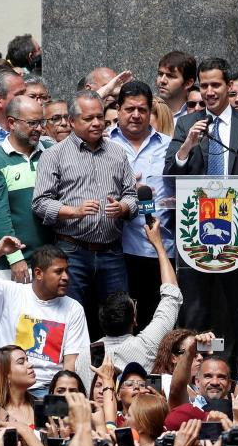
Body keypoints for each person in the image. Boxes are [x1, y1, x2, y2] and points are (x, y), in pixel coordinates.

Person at [31, 90, 137, 316]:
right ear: (71, 121)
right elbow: (40, 203)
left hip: (112, 251)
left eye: (100, 116)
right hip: (72, 251)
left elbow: (131, 195)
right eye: (88, 119)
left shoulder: (117, 153)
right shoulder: (54, 155)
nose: (97, 123)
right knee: (71, 316)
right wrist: (73, 211)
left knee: (119, 316)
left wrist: (123, 208)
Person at [0, 239, 89, 395]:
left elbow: (71, 363)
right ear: (38, 273)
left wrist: (61, 397)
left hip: (47, 389)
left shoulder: (73, 308)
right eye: (58, 271)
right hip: (6, 386)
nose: (66, 277)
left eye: (67, 271)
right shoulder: (11, 293)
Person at [107, 81, 173, 322]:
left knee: (158, 323)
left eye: (142, 110)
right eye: (129, 109)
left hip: (160, 249)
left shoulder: (169, 146)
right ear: (118, 109)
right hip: (116, 251)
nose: (136, 115)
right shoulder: (104, 145)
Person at [0, 94, 55, 282]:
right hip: (16, 265)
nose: (39, 129)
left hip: (53, 260)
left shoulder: (51, 152)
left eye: (42, 122)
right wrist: (15, 259)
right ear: (12, 123)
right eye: (32, 123)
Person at [97, 218, 181, 371]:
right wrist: (159, 245)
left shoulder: (85, 357)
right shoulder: (147, 345)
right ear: (134, 320)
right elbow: (172, 295)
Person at [164, 57, 238, 177]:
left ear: (229, 86)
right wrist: (186, 147)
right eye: (204, 86)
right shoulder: (185, 124)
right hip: (198, 195)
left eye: (215, 85)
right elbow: (169, 177)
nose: (209, 92)